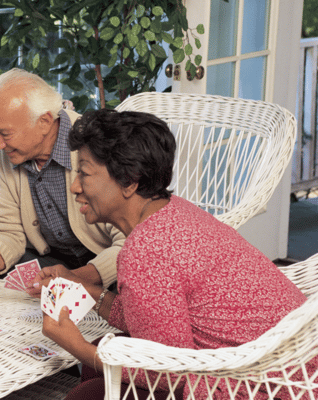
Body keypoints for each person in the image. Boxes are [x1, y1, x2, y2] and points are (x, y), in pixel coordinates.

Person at [37, 108, 312, 400]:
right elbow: (160, 317)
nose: (75, 186)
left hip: (260, 388)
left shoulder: (145, 251)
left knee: (87, 392)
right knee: (106, 355)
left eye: (84, 173)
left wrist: (77, 346)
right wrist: (90, 293)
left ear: (129, 181)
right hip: (298, 369)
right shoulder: (175, 209)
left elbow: (170, 376)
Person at [0, 68, 125, 289]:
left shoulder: (99, 146)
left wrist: (82, 277)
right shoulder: (1, 154)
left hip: (105, 262)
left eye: (5, 133)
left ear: (44, 122)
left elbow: (131, 239)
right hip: (48, 262)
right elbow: (6, 227)